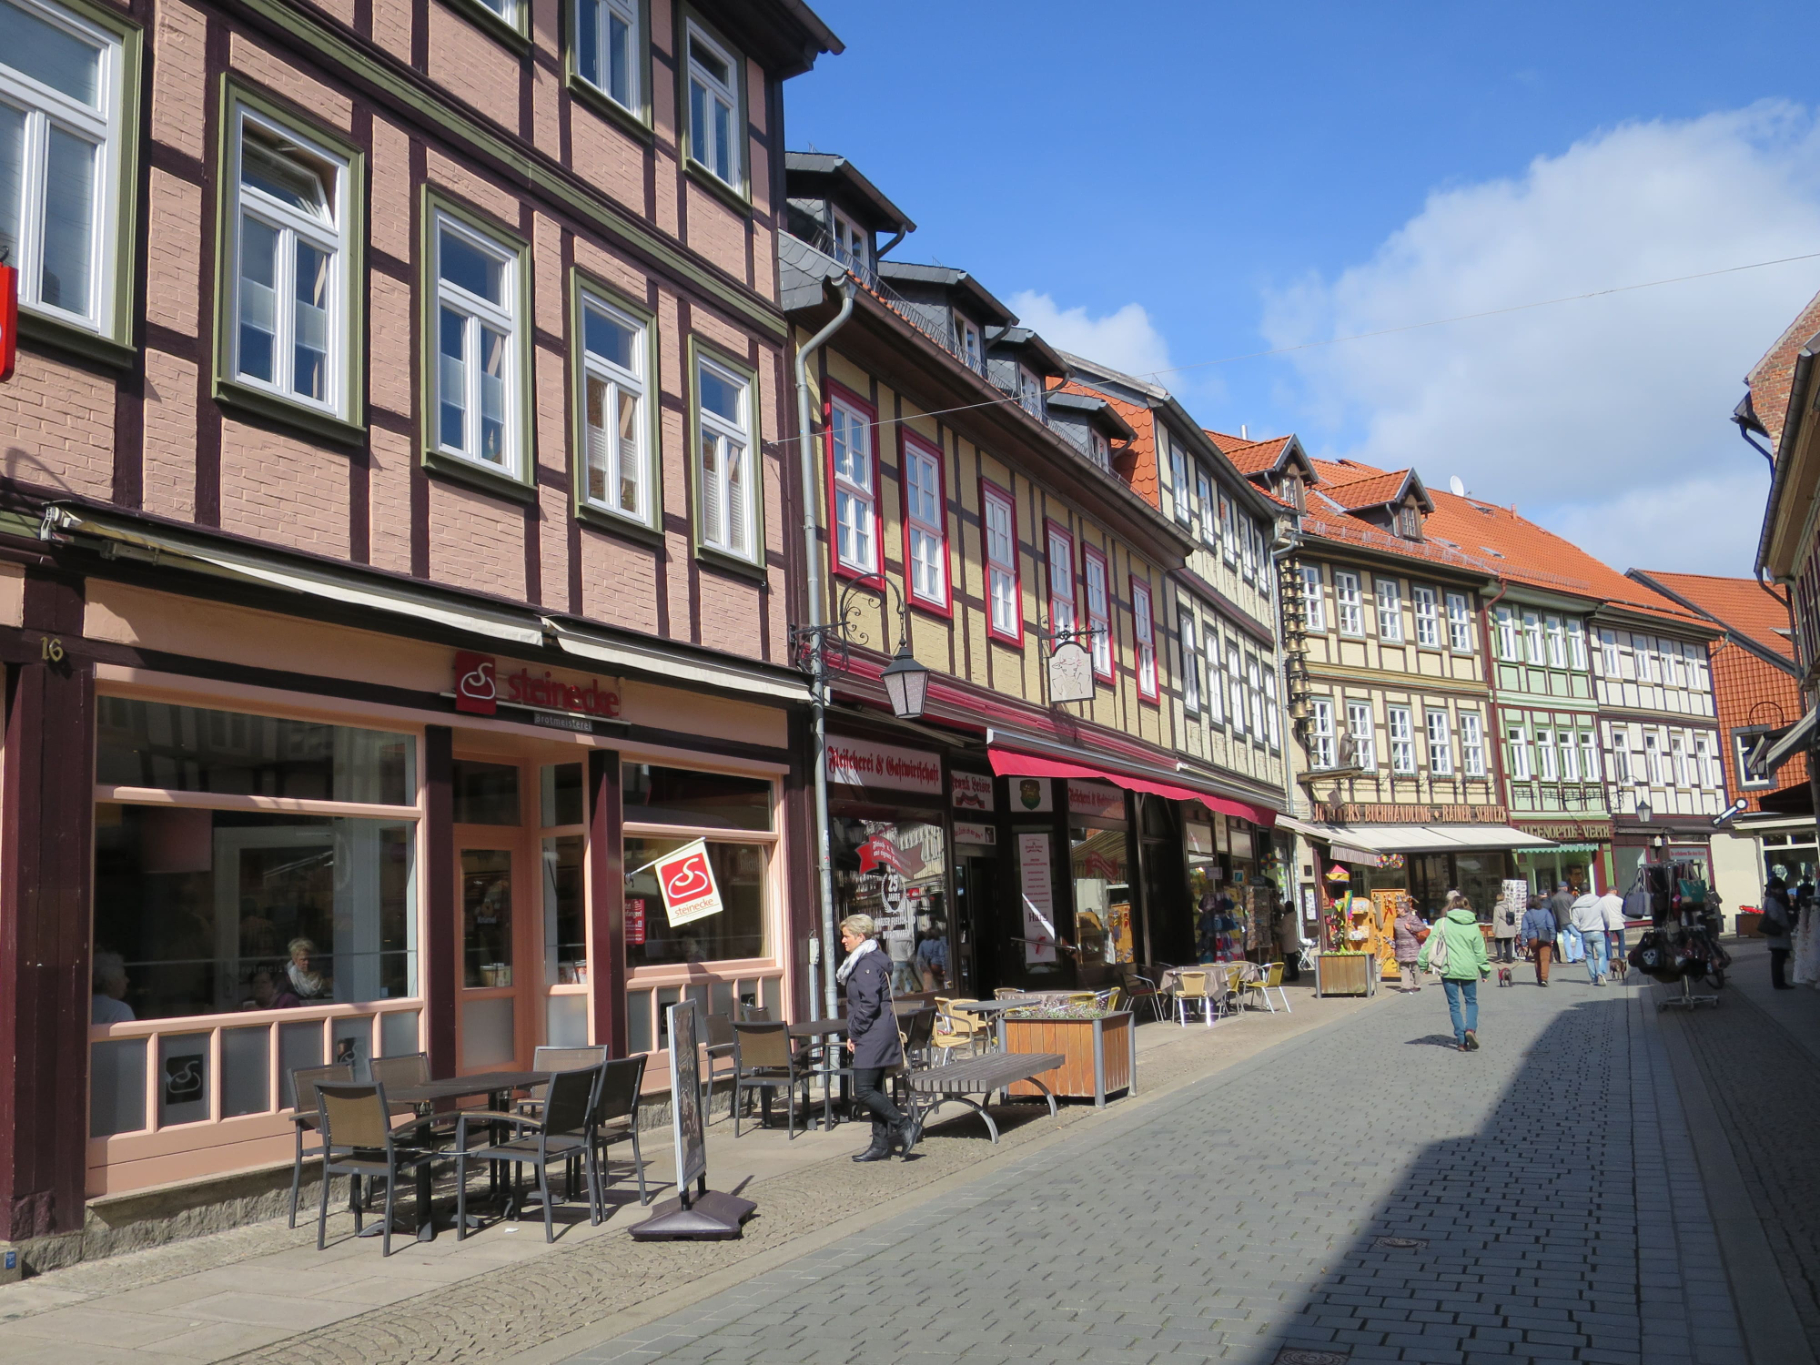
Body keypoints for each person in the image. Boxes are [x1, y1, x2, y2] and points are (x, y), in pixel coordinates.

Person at [836, 914, 920, 1162]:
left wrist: (856, 1031)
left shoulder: (866, 964)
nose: (843, 940)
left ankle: (905, 1125)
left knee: (862, 1089)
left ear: (860, 937)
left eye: (847, 935)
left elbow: (869, 1004)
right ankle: (880, 1144)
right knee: (874, 1088)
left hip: (874, 1033)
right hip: (875, 1031)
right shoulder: (868, 959)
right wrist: (854, 1032)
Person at [1416, 895, 1492, 1051]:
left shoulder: (1442, 923)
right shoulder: (1473, 925)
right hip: (1469, 969)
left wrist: (1423, 964)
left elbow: (1429, 944)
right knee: (1471, 1002)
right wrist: (1485, 971)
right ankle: (1470, 1029)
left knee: (1454, 1005)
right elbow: (1480, 952)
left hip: (1448, 968)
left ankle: (1462, 1040)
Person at [1762, 876, 1796, 990]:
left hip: (1778, 934)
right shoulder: (1772, 900)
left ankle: (1780, 982)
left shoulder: (1774, 899)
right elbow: (1775, 916)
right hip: (1777, 934)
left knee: (1779, 960)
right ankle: (1779, 983)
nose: (1781, 891)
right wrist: (1785, 924)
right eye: (1779, 888)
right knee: (1778, 960)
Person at [1570, 887, 1609, 985]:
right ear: (1590, 890)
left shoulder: (1576, 905)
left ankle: (1593, 977)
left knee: (1589, 956)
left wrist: (1580, 928)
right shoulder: (1598, 901)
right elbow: (1606, 916)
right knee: (1602, 954)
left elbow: (1574, 921)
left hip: (1586, 933)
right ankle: (1601, 972)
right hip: (1598, 931)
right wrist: (1606, 927)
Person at [1392, 898, 1428, 991]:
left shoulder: (1412, 918)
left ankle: (1417, 985)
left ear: (1403, 909)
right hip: (1401, 945)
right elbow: (1395, 934)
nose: (1397, 910)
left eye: (1398, 908)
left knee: (1415, 965)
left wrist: (1411, 927)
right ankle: (1405, 986)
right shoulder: (1397, 919)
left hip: (1412, 945)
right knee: (1403, 966)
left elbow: (1422, 927)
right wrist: (1394, 945)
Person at [1520, 894, 1556, 986]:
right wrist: (1552, 937)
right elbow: (1551, 925)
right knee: (1545, 959)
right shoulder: (1545, 912)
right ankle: (1544, 978)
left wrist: (1523, 942)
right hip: (1544, 937)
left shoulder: (1527, 914)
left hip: (1532, 938)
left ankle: (1539, 978)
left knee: (1537, 958)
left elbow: (1524, 929)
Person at [92, 951, 135, 1024]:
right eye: (123, 976)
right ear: (110, 982)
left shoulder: (82, 1006)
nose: (127, 980)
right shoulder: (120, 1009)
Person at [1596, 883, 1627, 968]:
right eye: (1616, 890)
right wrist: (1623, 919)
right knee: (1621, 939)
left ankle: (1609, 955)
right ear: (1613, 891)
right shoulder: (1619, 900)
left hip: (1607, 924)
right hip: (1618, 922)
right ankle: (1621, 954)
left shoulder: (1601, 900)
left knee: (1608, 941)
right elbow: (1624, 911)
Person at [1492, 890, 1520, 963]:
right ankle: (1509, 958)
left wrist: (1493, 930)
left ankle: (1500, 955)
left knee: (1498, 941)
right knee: (1508, 943)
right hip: (1510, 927)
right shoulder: (1510, 906)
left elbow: (1496, 920)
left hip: (1501, 928)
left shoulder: (1497, 908)